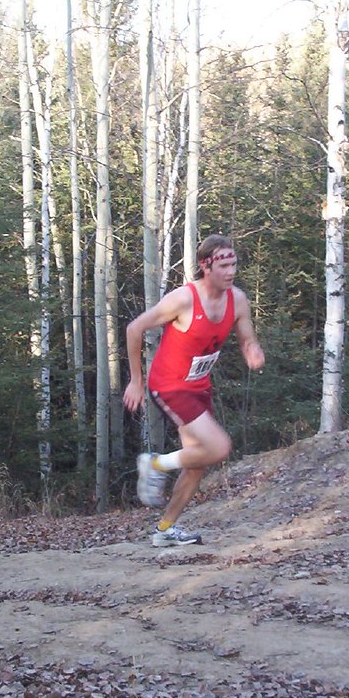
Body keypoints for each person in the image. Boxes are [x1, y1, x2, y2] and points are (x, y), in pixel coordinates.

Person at [124, 234, 265, 547]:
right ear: (205, 266)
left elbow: (247, 339)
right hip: (169, 385)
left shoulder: (238, 300)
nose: (231, 271)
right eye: (224, 266)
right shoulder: (183, 299)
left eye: (234, 264)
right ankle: (154, 464)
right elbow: (135, 328)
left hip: (199, 385)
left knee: (197, 463)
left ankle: (164, 530)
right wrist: (135, 380)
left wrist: (252, 351)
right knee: (219, 447)